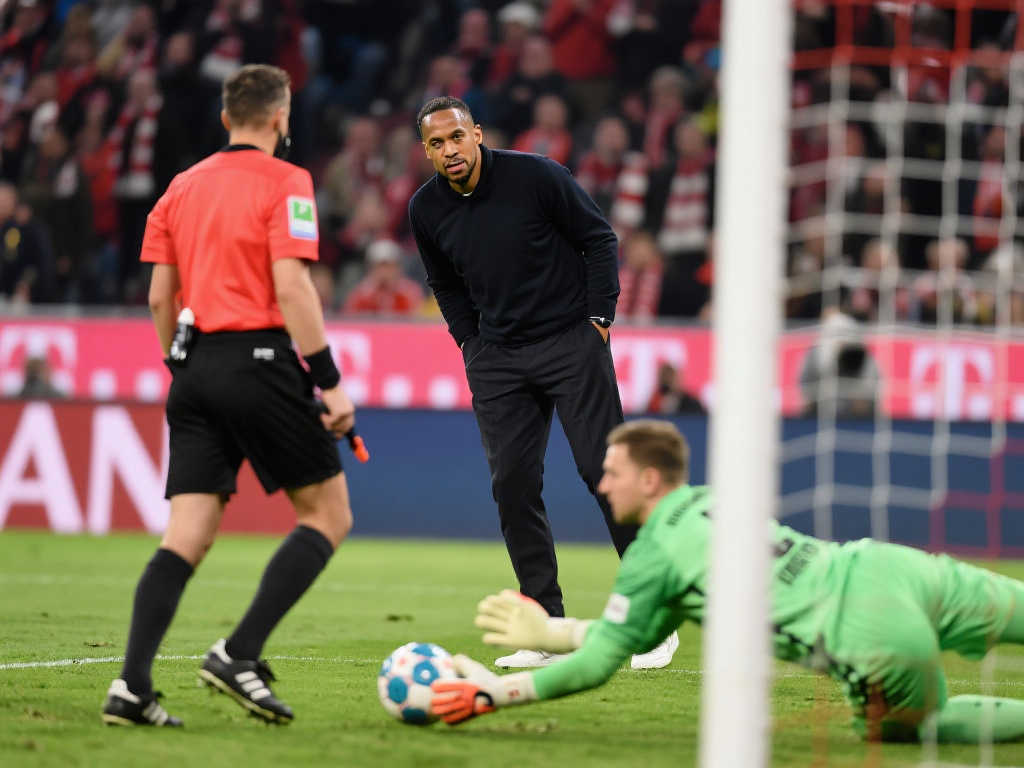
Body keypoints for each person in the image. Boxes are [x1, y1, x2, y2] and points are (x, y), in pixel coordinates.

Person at [431, 420, 1024, 745]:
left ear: (650, 480)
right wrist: (554, 633)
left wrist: (494, 694)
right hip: (890, 567)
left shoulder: (653, 554)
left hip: (868, 631)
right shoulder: (713, 500)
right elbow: (639, 633)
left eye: (612, 473)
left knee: (910, 729)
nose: (602, 485)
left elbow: (598, 665)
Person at [101, 64, 356, 728]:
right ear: (280, 116)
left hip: (194, 368)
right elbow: (293, 287)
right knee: (327, 516)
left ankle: (132, 687)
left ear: (225, 119)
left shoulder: (180, 186)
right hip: (259, 360)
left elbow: (160, 298)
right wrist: (329, 382)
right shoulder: (288, 181)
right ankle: (237, 653)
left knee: (186, 534)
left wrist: (181, 365)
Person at [408, 96, 676, 670]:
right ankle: (544, 627)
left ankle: (652, 617)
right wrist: (470, 344)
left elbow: (599, 239)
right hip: (498, 358)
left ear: (477, 134)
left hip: (569, 343)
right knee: (512, 484)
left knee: (607, 475)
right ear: (426, 151)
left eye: (457, 137)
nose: (450, 150)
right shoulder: (425, 208)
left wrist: (598, 320)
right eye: (436, 143)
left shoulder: (536, 176)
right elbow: (444, 283)